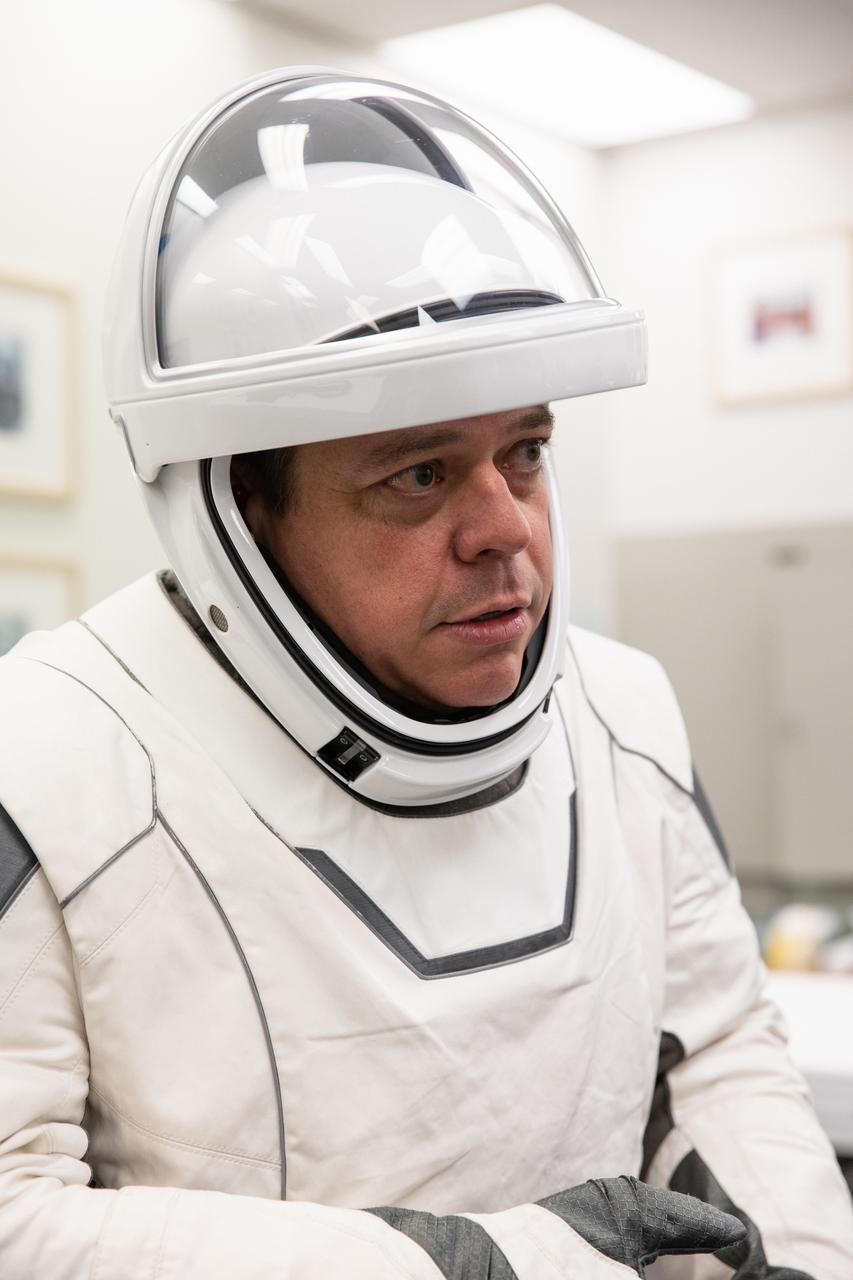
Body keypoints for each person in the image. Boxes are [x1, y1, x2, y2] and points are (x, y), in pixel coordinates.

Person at [0, 67, 850, 1280]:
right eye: (418, 473)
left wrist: (799, 1260)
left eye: (525, 451)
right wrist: (465, 1264)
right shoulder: (49, 754)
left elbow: (722, 1056)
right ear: (241, 507)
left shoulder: (625, 714)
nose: (505, 527)